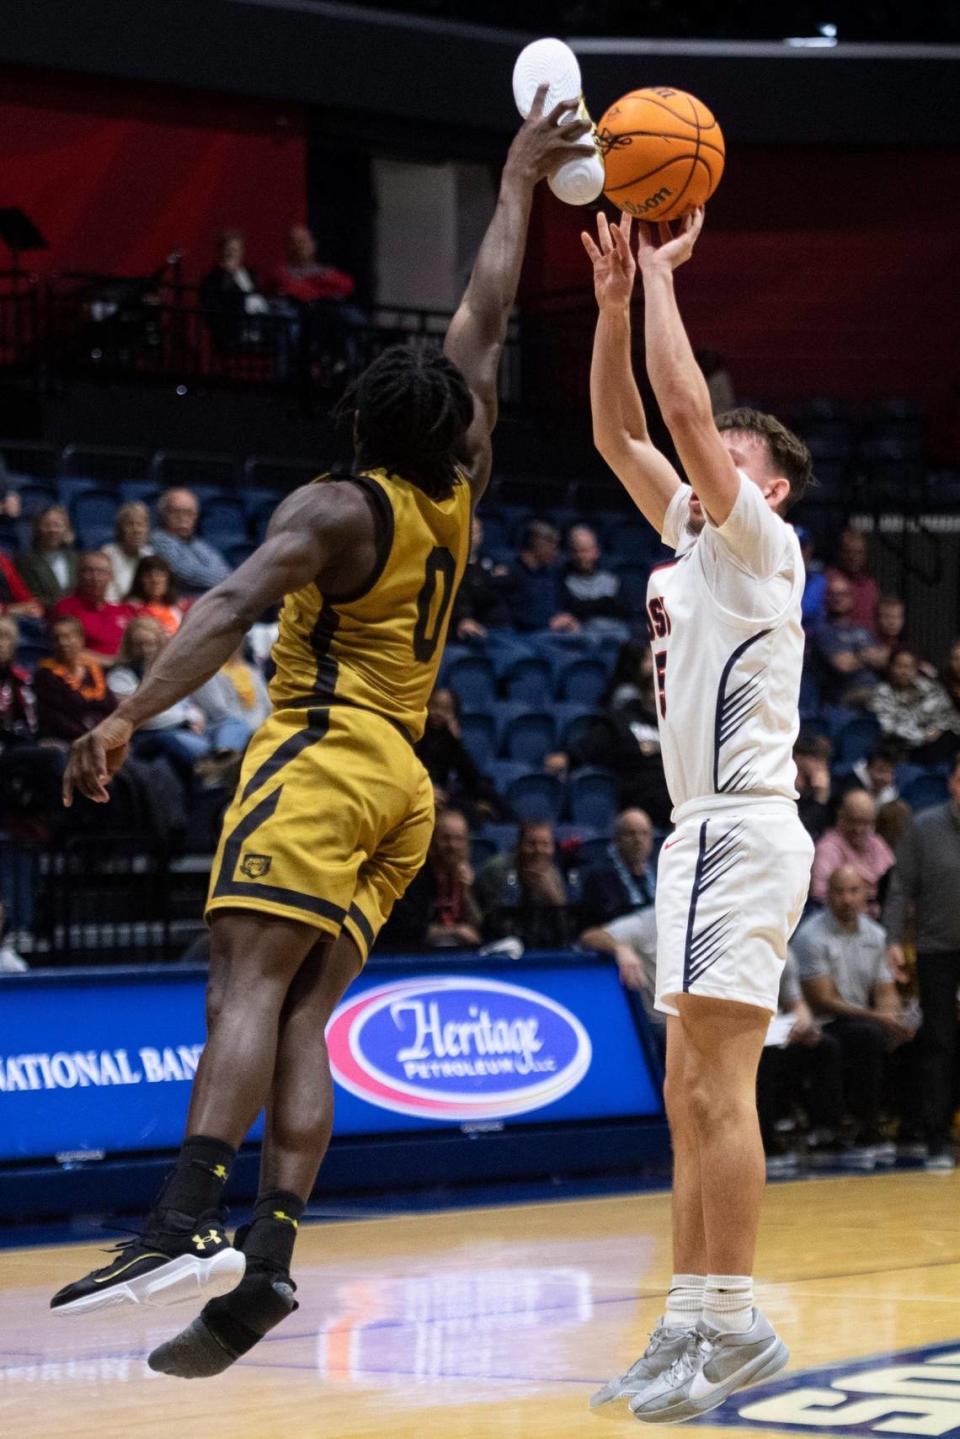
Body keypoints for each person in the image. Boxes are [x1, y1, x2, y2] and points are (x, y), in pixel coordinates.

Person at [51, 91, 592, 1376]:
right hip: (404, 786)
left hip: (324, 752)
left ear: (361, 422)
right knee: (304, 1016)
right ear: (453, 426)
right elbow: (487, 314)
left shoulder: (338, 507)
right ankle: (273, 1254)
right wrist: (514, 176)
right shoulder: (464, 486)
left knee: (241, 984)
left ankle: (185, 1221)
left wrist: (124, 712)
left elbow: (230, 604)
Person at [582, 208, 814, 1421]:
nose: (703, 458)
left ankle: (738, 1320)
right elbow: (623, 430)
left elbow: (676, 415)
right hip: (697, 832)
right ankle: (689, 1323)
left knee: (721, 1089)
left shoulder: (763, 541)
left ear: (762, 484)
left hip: (743, 825)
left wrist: (667, 274)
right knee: (689, 1093)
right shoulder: (695, 536)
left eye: (728, 452)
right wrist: (617, 301)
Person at [795, 866, 915, 1163]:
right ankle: (860, 1128)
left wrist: (895, 1020)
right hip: (821, 1023)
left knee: (917, 1036)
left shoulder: (876, 935)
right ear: (826, 895)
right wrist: (880, 1019)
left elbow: (885, 990)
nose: (847, 899)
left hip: (862, 1018)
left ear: (865, 895)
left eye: (853, 891)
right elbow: (823, 1001)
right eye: (839, 891)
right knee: (866, 1035)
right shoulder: (811, 936)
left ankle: (911, 1128)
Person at [883, 751, 960, 1170]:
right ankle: (936, 1138)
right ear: (952, 783)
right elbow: (900, 889)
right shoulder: (925, 828)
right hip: (936, 949)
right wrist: (893, 939)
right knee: (939, 1041)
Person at [755, 951, 844, 1172]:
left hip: (773, 1033)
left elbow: (797, 1004)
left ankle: (824, 1132)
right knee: (765, 1054)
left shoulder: (781, 952)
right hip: (736, 1037)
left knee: (823, 1046)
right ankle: (764, 1140)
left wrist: (801, 1024)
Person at [379, 808, 482, 950]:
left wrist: (467, 893)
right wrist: (456, 931)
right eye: (446, 838)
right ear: (432, 842)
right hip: (418, 957)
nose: (452, 846)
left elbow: (481, 929)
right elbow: (407, 931)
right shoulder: (413, 879)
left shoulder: (471, 879)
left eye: (459, 839)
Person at [414, 687, 505, 823]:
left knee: (489, 795)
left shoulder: (451, 742)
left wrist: (457, 741)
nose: (438, 713)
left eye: (445, 709)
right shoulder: (417, 735)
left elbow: (472, 781)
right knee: (470, 811)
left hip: (445, 795)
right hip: (421, 791)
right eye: (434, 706)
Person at [476, 820, 570, 949]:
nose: (539, 850)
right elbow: (492, 927)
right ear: (519, 846)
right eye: (531, 844)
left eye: (545, 844)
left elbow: (566, 935)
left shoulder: (554, 875)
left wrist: (554, 898)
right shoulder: (496, 872)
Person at [811, 789, 895, 917]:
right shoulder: (828, 848)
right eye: (853, 821)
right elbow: (820, 895)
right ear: (841, 816)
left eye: (865, 822)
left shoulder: (876, 842)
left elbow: (894, 880)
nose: (859, 829)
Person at [870, 648, 960, 763]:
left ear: (916, 669)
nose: (904, 672)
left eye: (909, 667)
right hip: (904, 748)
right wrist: (924, 736)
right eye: (899, 666)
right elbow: (888, 728)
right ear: (890, 667)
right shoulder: (882, 692)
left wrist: (937, 729)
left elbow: (948, 713)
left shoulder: (929, 687)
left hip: (937, 741)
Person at [34, 616, 116, 741]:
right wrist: (90, 736)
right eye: (57, 638)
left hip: (103, 735)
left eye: (67, 637)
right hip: (67, 739)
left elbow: (110, 704)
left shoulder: (93, 669)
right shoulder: (46, 675)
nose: (62, 642)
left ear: (80, 639)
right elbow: (56, 718)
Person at [811, 573, 886, 708]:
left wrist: (856, 657)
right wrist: (867, 656)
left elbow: (882, 659)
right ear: (826, 598)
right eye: (833, 595)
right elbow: (844, 665)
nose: (838, 599)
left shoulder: (863, 630)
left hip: (876, 692)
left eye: (843, 594)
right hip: (846, 697)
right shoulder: (824, 632)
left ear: (851, 598)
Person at [50, 551, 136, 664]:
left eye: (101, 572)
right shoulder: (66, 608)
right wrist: (112, 662)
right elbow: (66, 650)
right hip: (88, 673)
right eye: (88, 571)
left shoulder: (124, 610)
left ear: (111, 576)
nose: (95, 577)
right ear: (78, 574)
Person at [578, 807, 656, 929]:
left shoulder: (660, 874)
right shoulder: (599, 878)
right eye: (631, 833)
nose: (638, 840)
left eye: (644, 833)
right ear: (617, 839)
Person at [151, 489, 231, 598]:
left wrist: (226, 580)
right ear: (163, 515)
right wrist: (225, 581)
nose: (183, 517)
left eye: (189, 512)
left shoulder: (198, 543)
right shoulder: (159, 540)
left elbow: (225, 570)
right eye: (176, 512)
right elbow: (186, 574)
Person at [559, 523, 630, 638]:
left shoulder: (611, 579)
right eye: (576, 551)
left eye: (585, 551)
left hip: (615, 633)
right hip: (582, 636)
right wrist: (605, 602)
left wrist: (588, 606)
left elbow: (622, 608)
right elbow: (573, 609)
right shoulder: (563, 579)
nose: (581, 556)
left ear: (596, 551)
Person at [452, 514, 515, 638]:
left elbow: (509, 582)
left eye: (478, 532)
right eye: (470, 532)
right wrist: (490, 581)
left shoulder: (488, 559)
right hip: (473, 626)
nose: (475, 537)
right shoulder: (451, 565)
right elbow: (468, 596)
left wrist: (482, 584)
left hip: (502, 625)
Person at [16, 504, 79, 606]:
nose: (52, 530)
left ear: (66, 529)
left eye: (57, 525)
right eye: (47, 525)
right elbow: (33, 597)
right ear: (38, 528)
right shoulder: (27, 561)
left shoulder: (76, 559)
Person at [825, 528, 880, 631]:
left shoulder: (871, 585)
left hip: (867, 643)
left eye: (859, 553)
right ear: (841, 553)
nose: (854, 557)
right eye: (849, 552)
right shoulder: (828, 580)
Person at [102, 501, 153, 604]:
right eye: (130, 524)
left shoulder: (150, 554)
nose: (137, 530)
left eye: (141, 524)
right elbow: (109, 599)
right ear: (120, 529)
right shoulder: (107, 555)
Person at [127, 554, 185, 634]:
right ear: (139, 581)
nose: (155, 580)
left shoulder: (176, 608)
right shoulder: (131, 609)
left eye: (160, 575)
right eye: (148, 576)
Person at [792, 731, 833, 841]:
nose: (822, 766)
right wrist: (820, 798)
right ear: (799, 758)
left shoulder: (815, 787)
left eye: (824, 760)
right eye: (816, 760)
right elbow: (800, 829)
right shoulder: (787, 789)